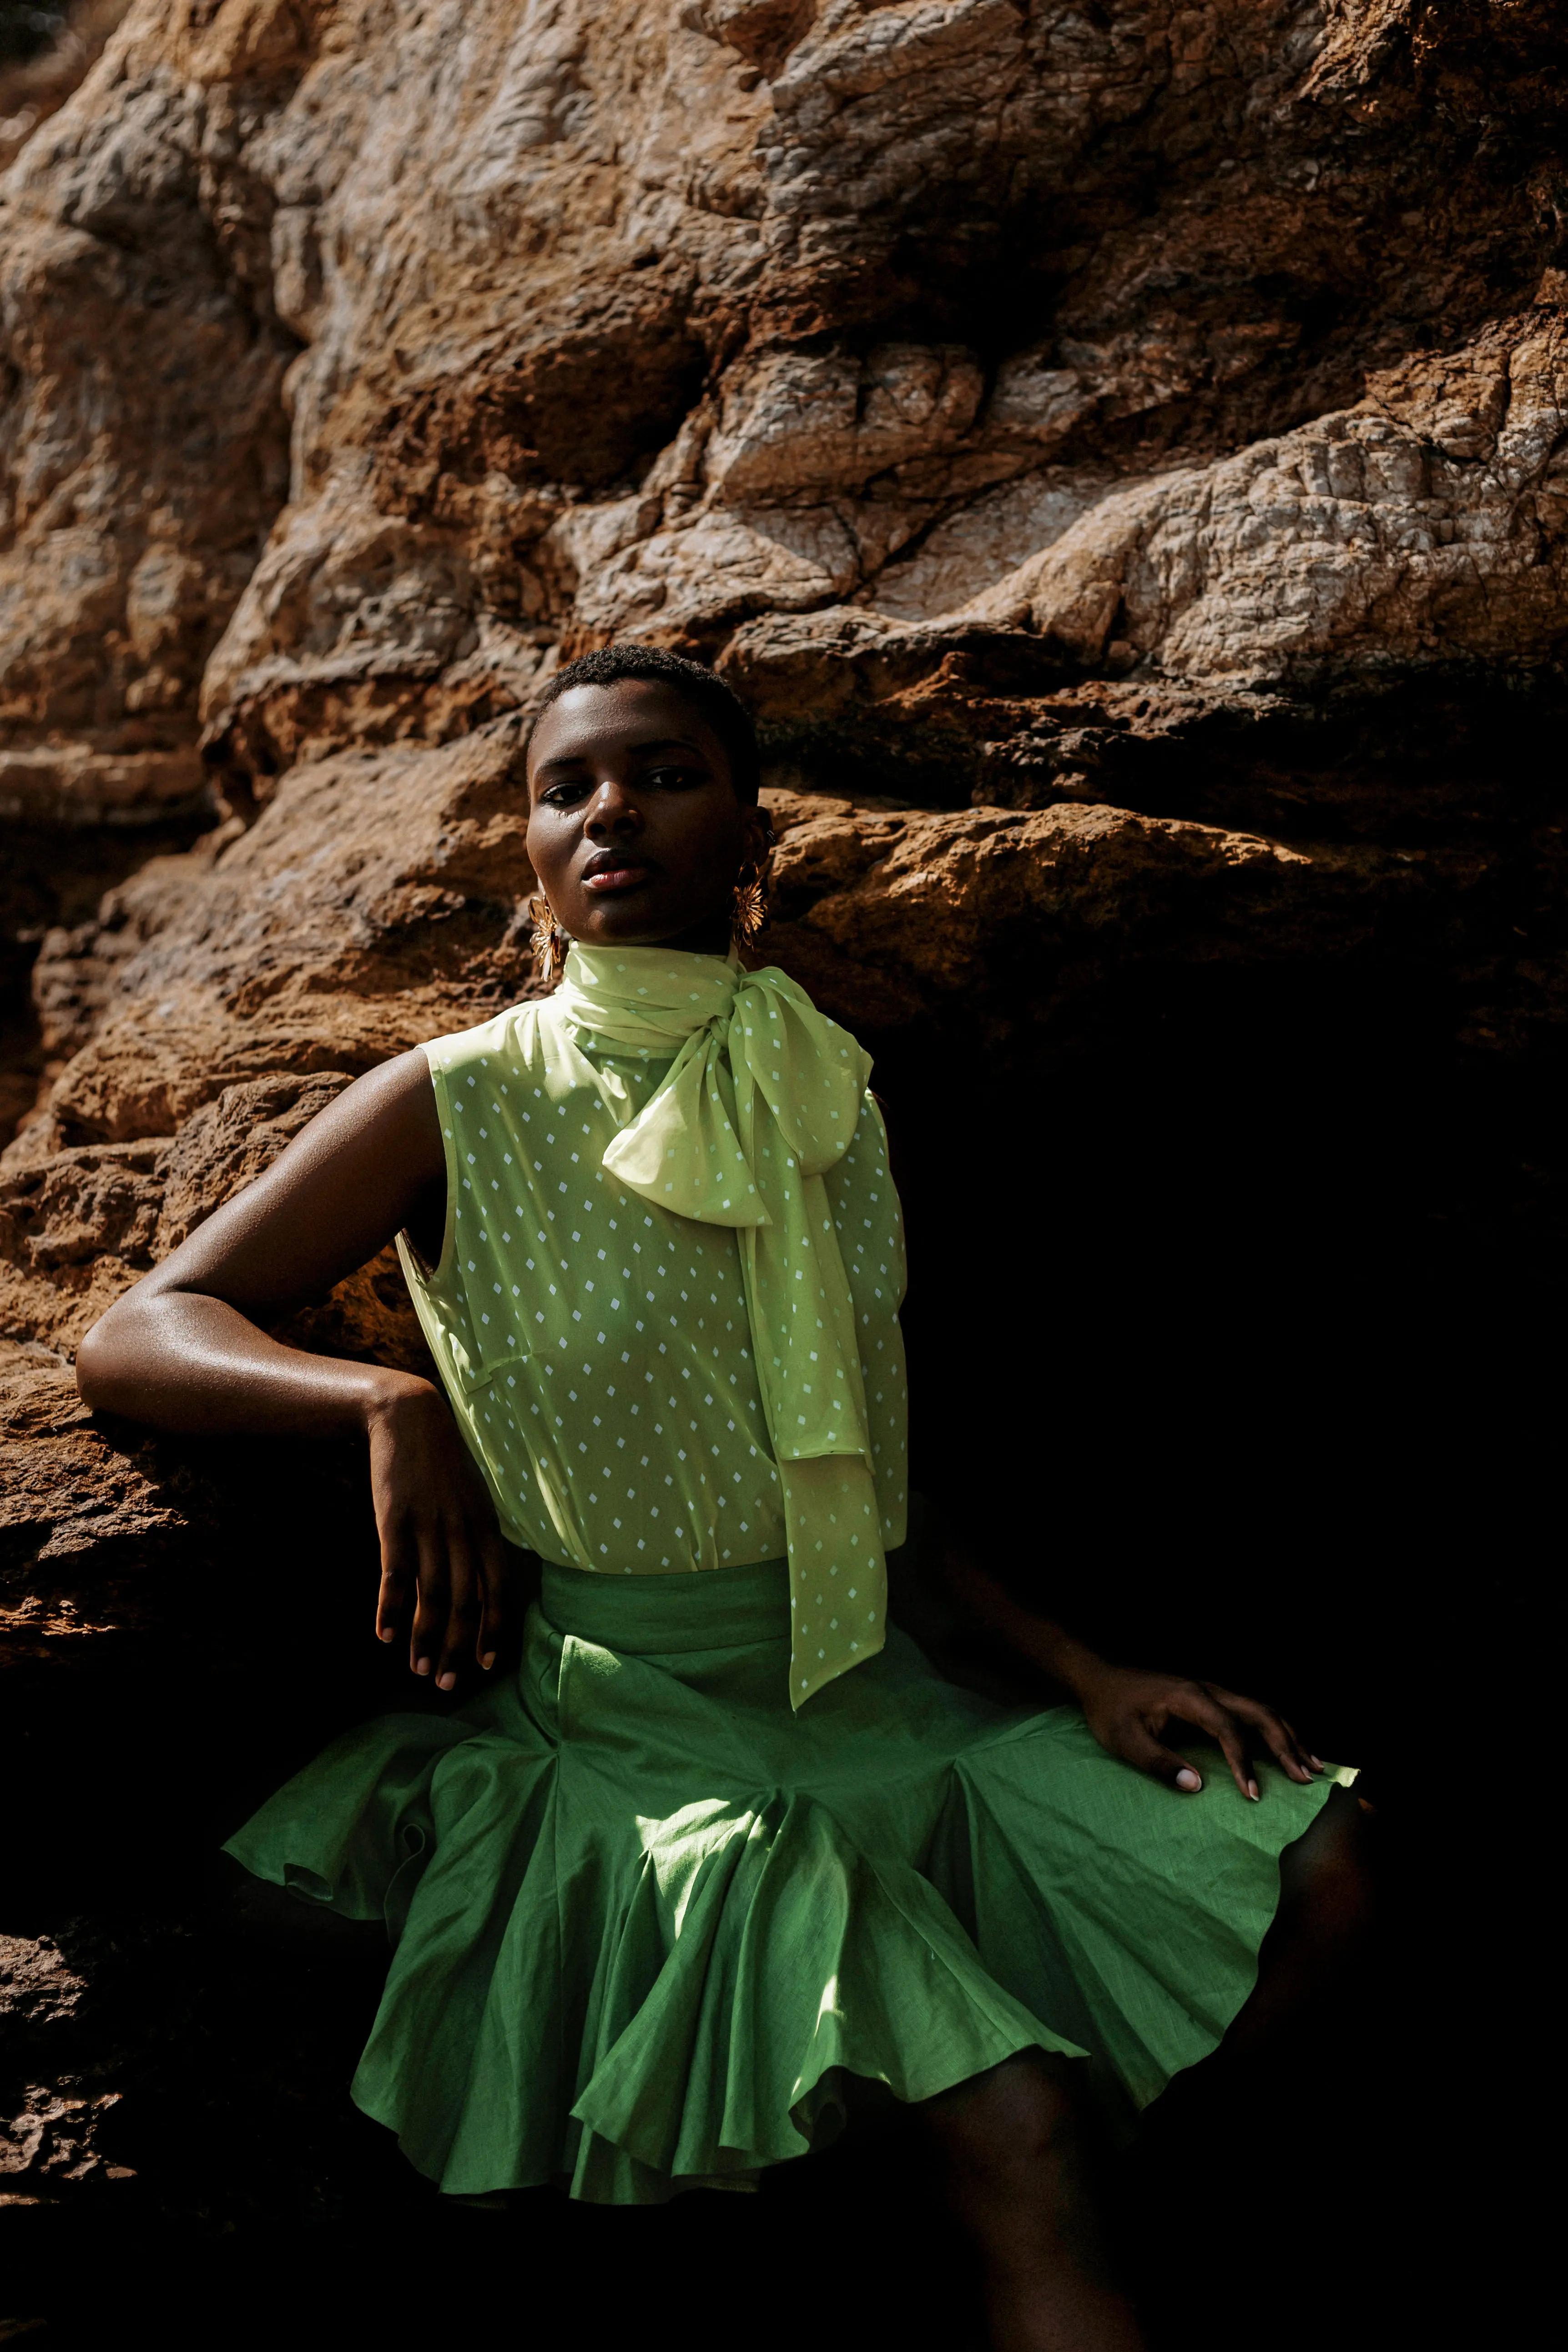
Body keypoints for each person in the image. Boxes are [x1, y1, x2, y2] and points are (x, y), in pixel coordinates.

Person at [76, 646, 1370, 2352]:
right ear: (532, 853)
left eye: (664, 773)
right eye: (567, 789)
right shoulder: (461, 1097)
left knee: (1324, 1859)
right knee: (1020, 2129)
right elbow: (137, 1332)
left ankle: (1038, 2185)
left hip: (870, 1693)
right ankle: (1008, 2176)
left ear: (750, 828)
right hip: (642, 1740)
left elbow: (869, 1479)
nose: (610, 810)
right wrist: (383, 1402)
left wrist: (1082, 1670)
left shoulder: (826, 1083)